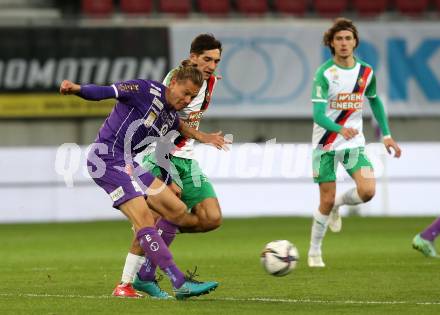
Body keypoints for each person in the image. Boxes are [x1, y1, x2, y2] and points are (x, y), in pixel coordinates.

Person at [59, 64, 229, 299]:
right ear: (173, 83)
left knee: (176, 209)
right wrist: (76, 89)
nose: (187, 99)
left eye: (192, 95)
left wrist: (168, 180)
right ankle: (178, 282)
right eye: (185, 92)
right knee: (146, 219)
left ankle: (132, 283)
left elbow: (169, 140)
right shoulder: (144, 89)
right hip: (106, 158)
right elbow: (105, 91)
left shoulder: (169, 117)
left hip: (128, 163)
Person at [113, 34, 225, 299]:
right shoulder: (174, 81)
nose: (211, 65)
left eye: (216, 61)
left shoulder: (208, 83)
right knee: (161, 213)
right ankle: (133, 280)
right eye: (206, 59)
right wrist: (165, 169)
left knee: (211, 218)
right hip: (160, 153)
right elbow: (163, 124)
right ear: (193, 56)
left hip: (187, 158)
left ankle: (152, 237)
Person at [307, 18, 402, 267]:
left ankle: (340, 203)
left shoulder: (366, 72)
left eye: (348, 38)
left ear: (355, 42)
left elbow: (375, 101)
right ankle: (314, 250)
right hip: (325, 144)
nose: (344, 43)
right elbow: (318, 116)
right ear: (331, 43)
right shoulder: (324, 74)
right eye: (339, 39)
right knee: (325, 200)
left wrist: (387, 134)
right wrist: (340, 129)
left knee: (368, 191)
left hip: (354, 144)